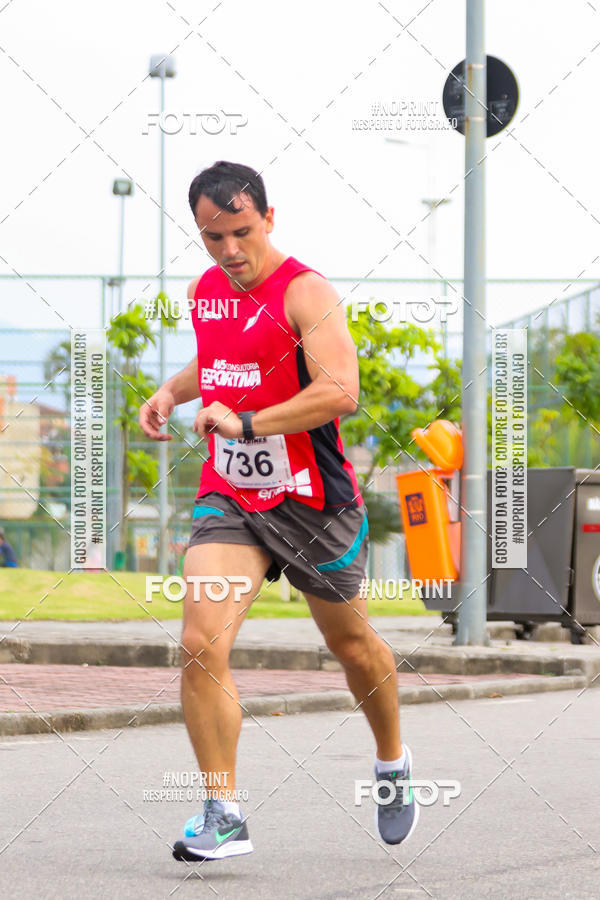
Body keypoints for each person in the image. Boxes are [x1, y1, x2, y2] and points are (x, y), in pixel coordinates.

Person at [139, 161, 417, 861]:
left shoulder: (305, 291)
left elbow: (341, 391)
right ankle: (222, 813)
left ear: (268, 217)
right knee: (201, 641)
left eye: (241, 232)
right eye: (212, 237)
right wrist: (172, 393)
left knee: (350, 645)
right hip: (231, 492)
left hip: (313, 501)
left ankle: (391, 760)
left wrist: (252, 423)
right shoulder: (207, 289)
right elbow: (221, 364)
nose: (229, 251)